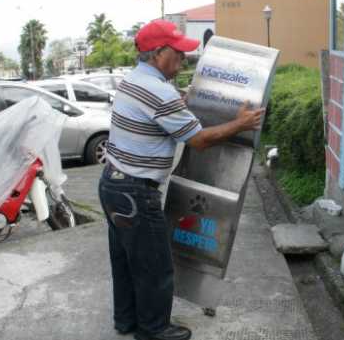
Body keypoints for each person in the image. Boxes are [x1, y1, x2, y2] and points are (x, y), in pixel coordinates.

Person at [99, 20, 264, 340]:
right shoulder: (160, 93)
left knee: (125, 260)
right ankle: (154, 329)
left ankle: (127, 320)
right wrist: (240, 123)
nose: (184, 59)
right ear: (159, 54)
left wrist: (187, 99)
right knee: (155, 265)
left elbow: (164, 109)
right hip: (135, 192)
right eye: (179, 53)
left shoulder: (134, 80)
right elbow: (200, 140)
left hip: (112, 185)